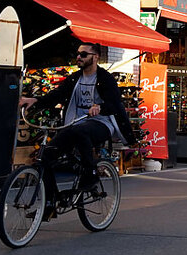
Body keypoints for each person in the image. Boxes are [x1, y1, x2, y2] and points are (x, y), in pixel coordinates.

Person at [19, 42, 134, 217]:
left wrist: (100, 107)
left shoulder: (105, 78)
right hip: (75, 124)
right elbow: (57, 95)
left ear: (95, 57)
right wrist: (35, 101)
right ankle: (50, 204)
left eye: (83, 55)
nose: (78, 57)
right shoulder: (75, 78)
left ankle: (91, 174)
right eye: (77, 54)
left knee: (82, 131)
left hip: (102, 124)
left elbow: (115, 104)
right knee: (46, 157)